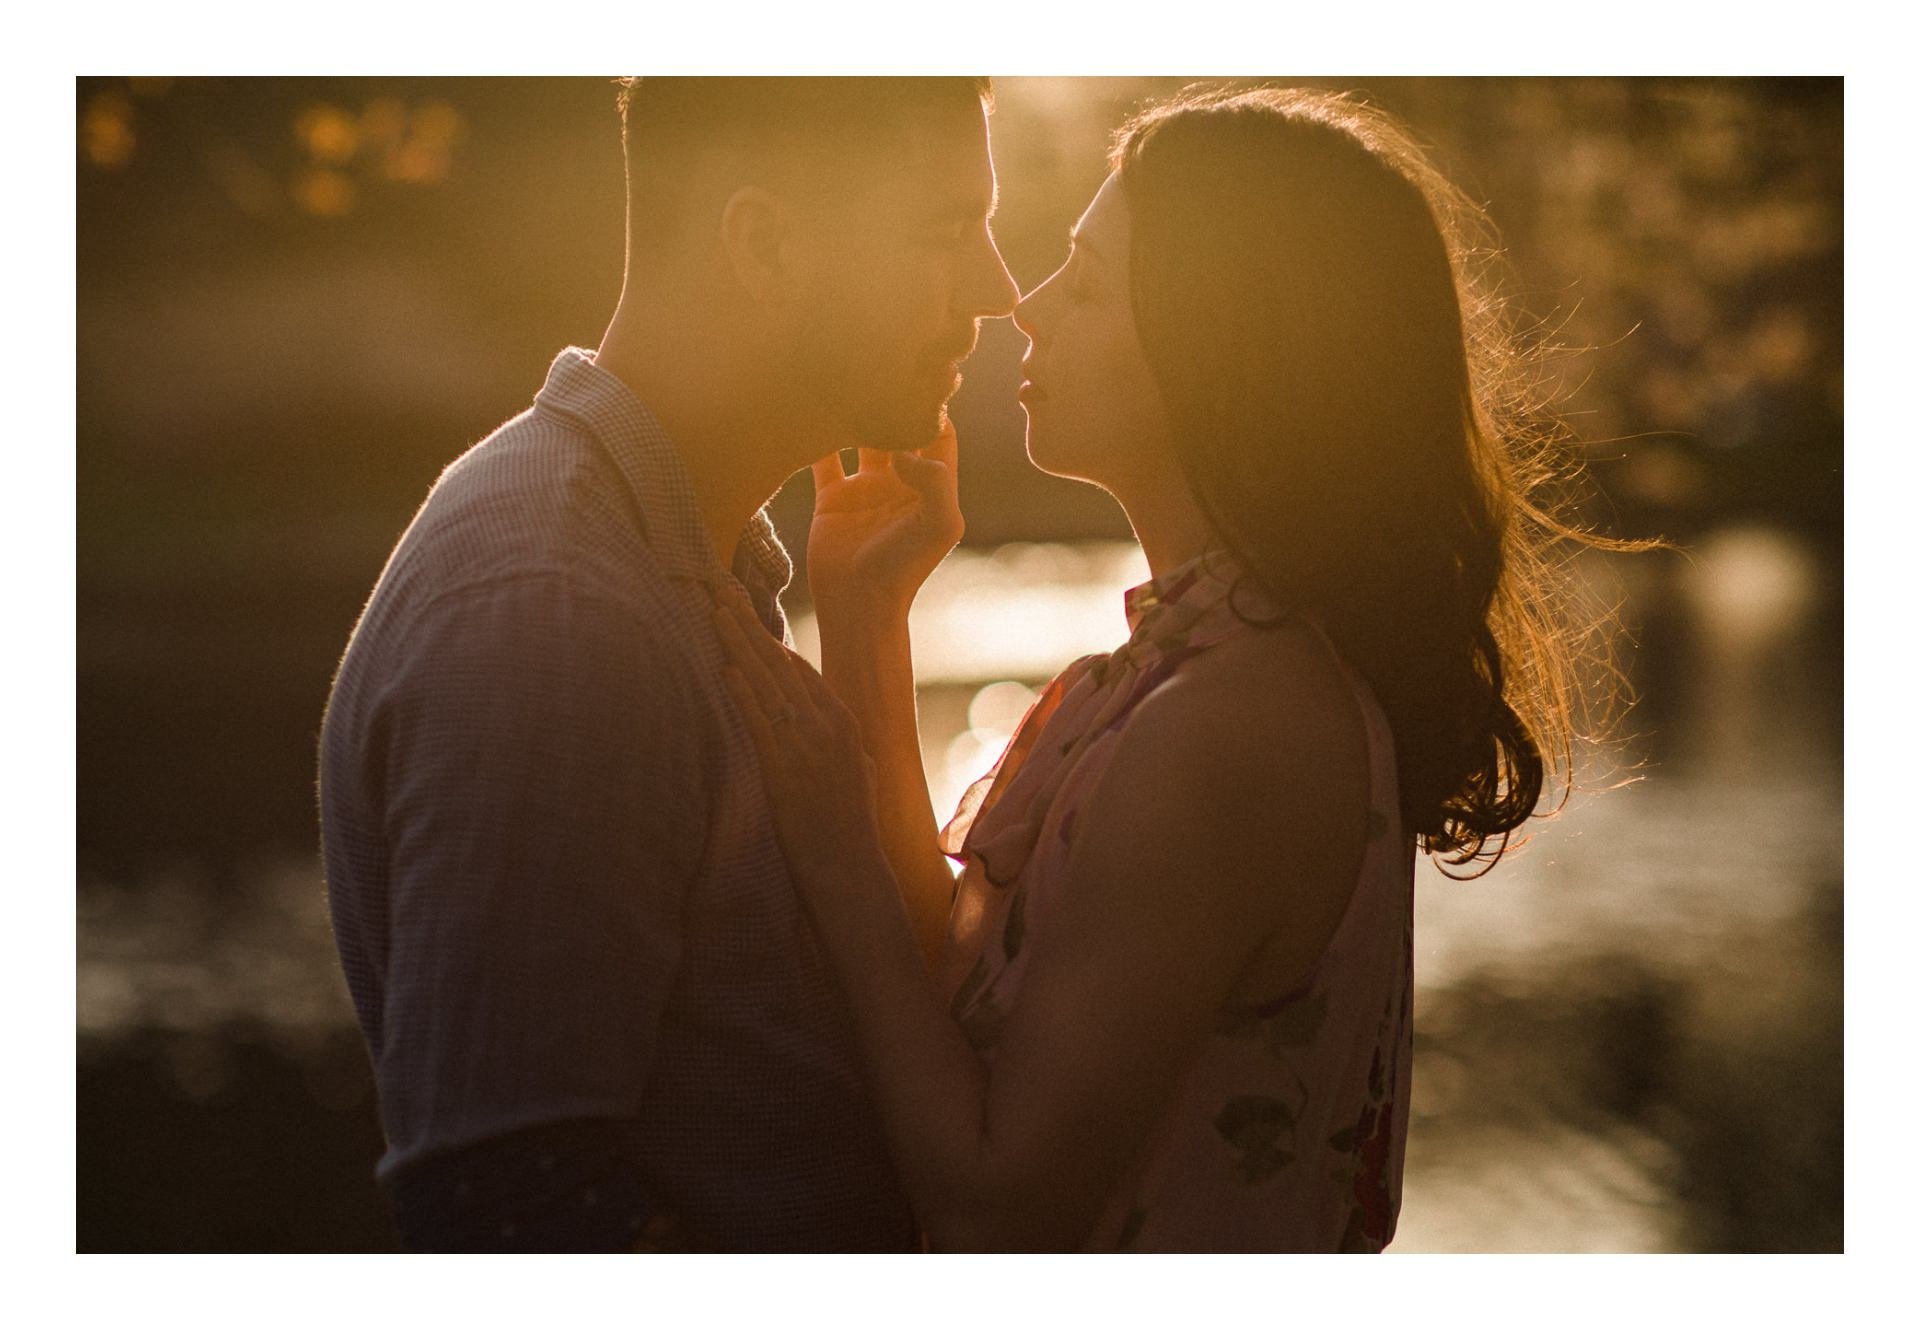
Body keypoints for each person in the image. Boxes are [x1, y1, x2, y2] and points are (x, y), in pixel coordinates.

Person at [713, 85, 1623, 1251]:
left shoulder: (1230, 724)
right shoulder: (1200, 672)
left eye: (1086, 284)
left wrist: (836, 859)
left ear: (1218, 346)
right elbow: (943, 978)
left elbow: (995, 1203)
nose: (1026, 309)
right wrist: (867, 611)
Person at [317, 77, 1019, 1252]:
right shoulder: (551, 615)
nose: (999, 289)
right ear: (766, 242)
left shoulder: (679, 560)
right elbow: (511, 1212)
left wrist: (866, 627)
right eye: (947, 232)